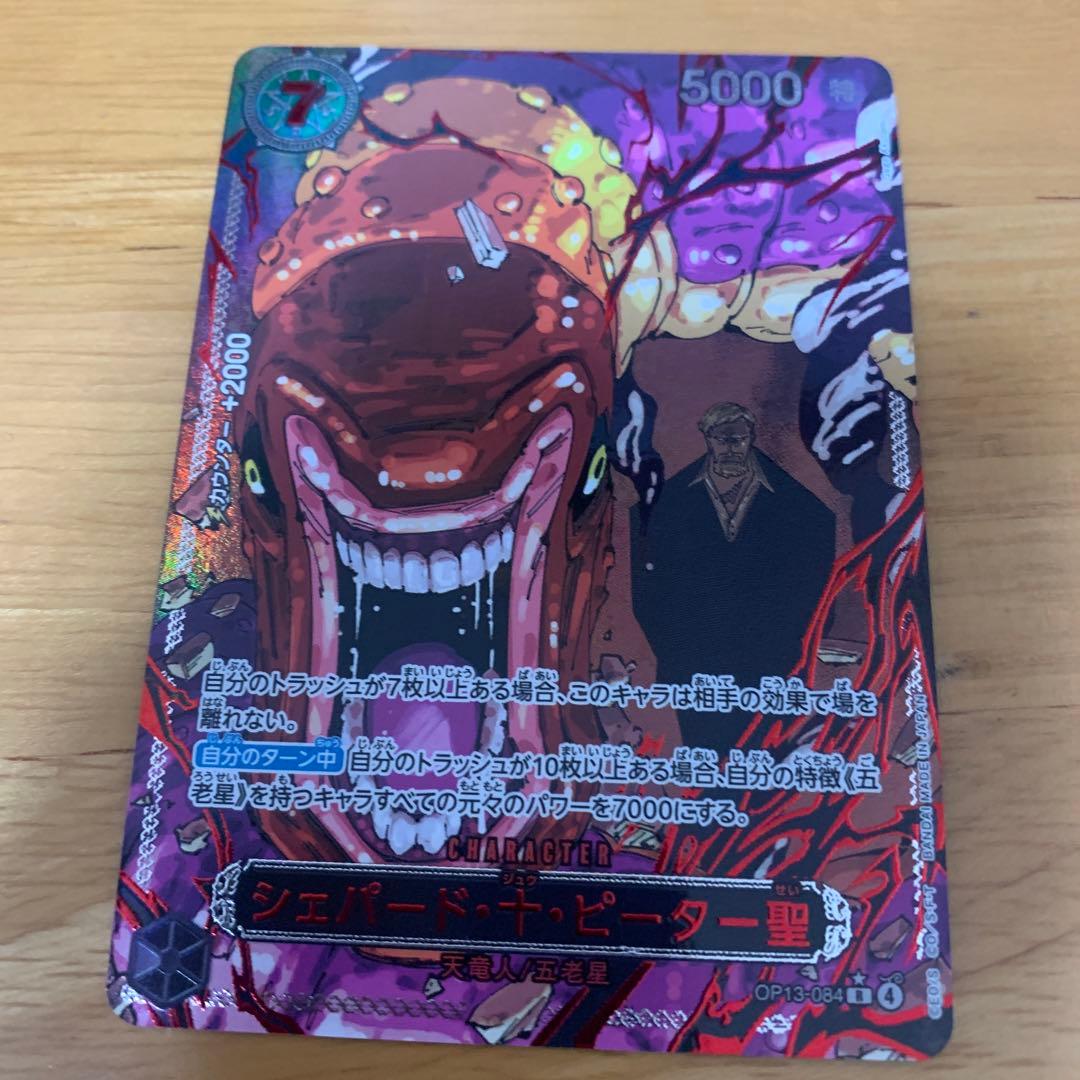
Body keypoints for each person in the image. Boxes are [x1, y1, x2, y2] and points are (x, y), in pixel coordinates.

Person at [631, 402, 835, 752]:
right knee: (704, 754)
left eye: (738, 439)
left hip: (772, 664)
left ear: (751, 437)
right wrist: (678, 650)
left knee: (767, 757)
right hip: (693, 664)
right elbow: (647, 592)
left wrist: (786, 646)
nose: (730, 448)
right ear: (706, 438)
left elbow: (816, 587)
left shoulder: (802, 507)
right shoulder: (663, 505)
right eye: (721, 439)